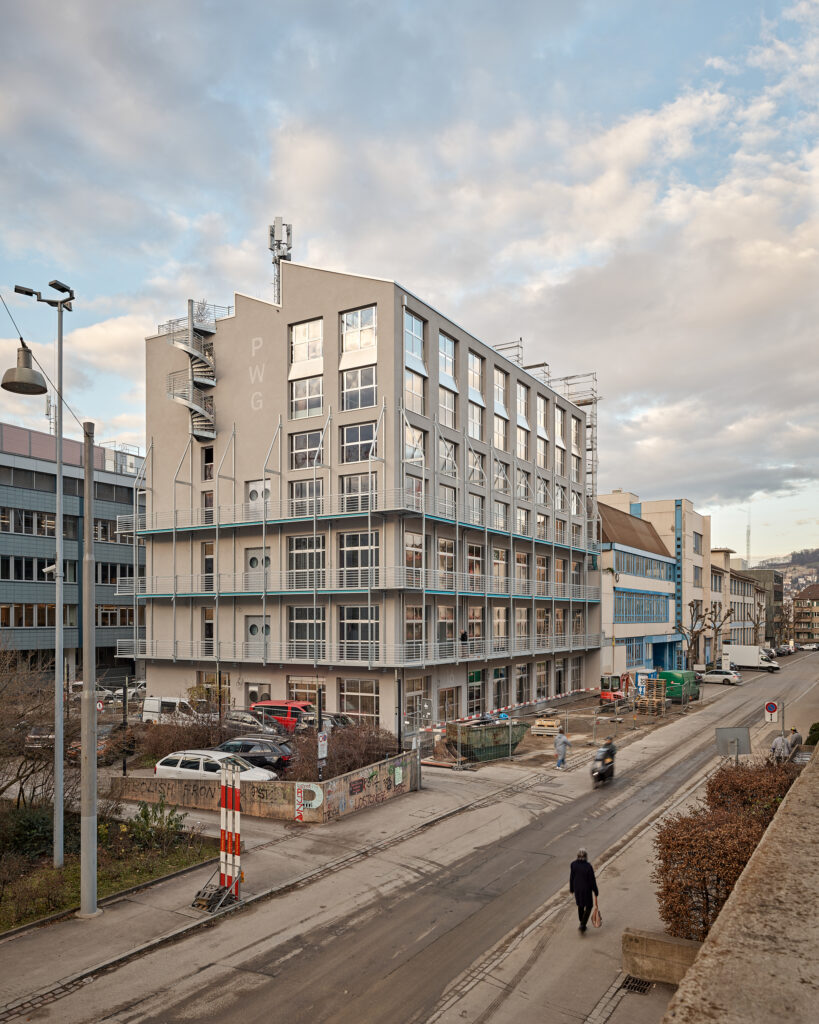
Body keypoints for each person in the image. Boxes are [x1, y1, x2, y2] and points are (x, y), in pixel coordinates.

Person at [569, 848, 598, 933]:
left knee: (580, 905)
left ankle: (582, 922)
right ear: (586, 857)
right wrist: (595, 891)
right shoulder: (588, 866)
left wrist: (571, 889)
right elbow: (592, 880)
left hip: (577, 889)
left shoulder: (573, 864)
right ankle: (583, 924)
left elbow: (572, 878)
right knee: (589, 906)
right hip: (586, 890)